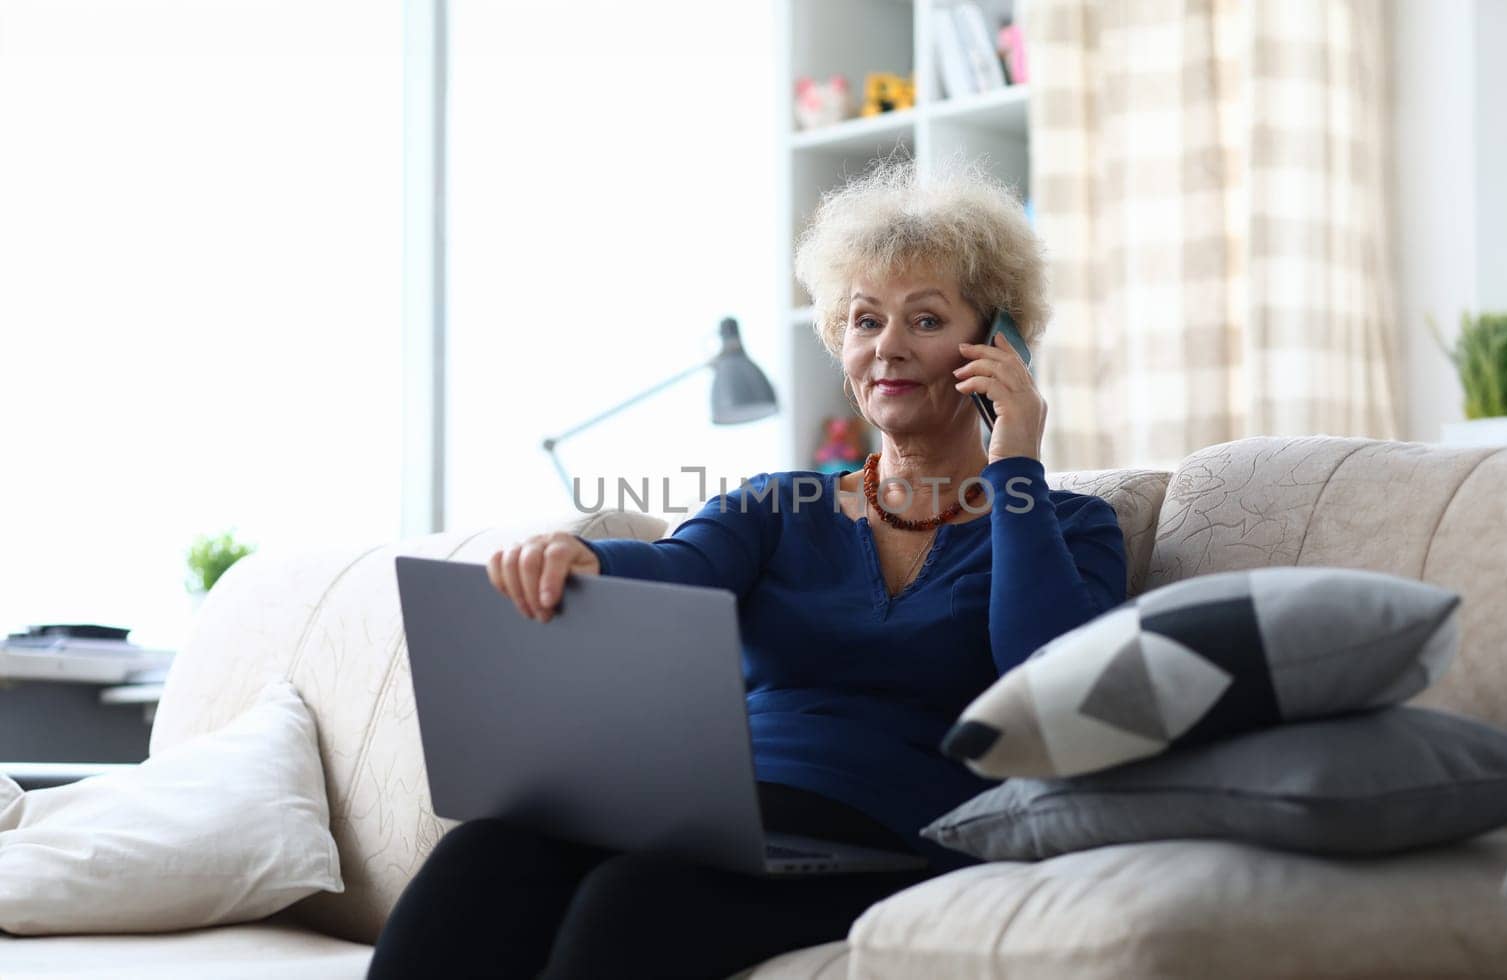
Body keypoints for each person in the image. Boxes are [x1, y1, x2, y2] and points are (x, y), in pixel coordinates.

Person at [366, 159, 1129, 979]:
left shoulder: (1067, 527)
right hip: (719, 816)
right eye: (866, 320)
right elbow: (678, 568)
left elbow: (1046, 674)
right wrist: (583, 557)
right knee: (488, 853)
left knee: (630, 902)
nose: (889, 348)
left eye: (927, 320)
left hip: (895, 839)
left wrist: (1015, 461)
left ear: (995, 346)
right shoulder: (776, 506)